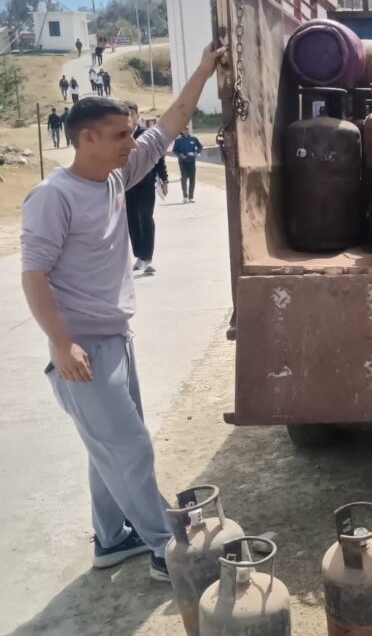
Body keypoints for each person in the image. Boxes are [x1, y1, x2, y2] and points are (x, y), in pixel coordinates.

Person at [19, 45, 226, 582]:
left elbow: (171, 124)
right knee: (129, 447)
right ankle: (166, 551)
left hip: (115, 338)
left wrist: (203, 70)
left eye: (131, 134)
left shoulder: (114, 176)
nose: (131, 142)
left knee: (106, 448)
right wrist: (62, 343)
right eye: (120, 135)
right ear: (86, 138)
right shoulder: (54, 196)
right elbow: (33, 275)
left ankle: (112, 539)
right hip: (81, 347)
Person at [125, 103, 168, 275]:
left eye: (131, 114)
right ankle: (139, 256)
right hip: (127, 185)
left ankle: (148, 257)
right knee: (132, 220)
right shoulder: (119, 135)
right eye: (126, 114)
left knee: (146, 217)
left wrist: (164, 178)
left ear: (137, 115)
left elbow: (159, 157)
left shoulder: (145, 134)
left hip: (146, 183)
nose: (129, 117)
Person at [173, 129, 203, 203]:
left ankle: (191, 197)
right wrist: (180, 154)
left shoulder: (193, 138)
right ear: (182, 131)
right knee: (184, 178)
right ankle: (185, 196)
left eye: (187, 130)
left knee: (192, 179)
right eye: (184, 130)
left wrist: (197, 152)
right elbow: (174, 150)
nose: (186, 131)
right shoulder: (178, 140)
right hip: (183, 162)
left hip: (191, 161)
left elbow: (200, 147)